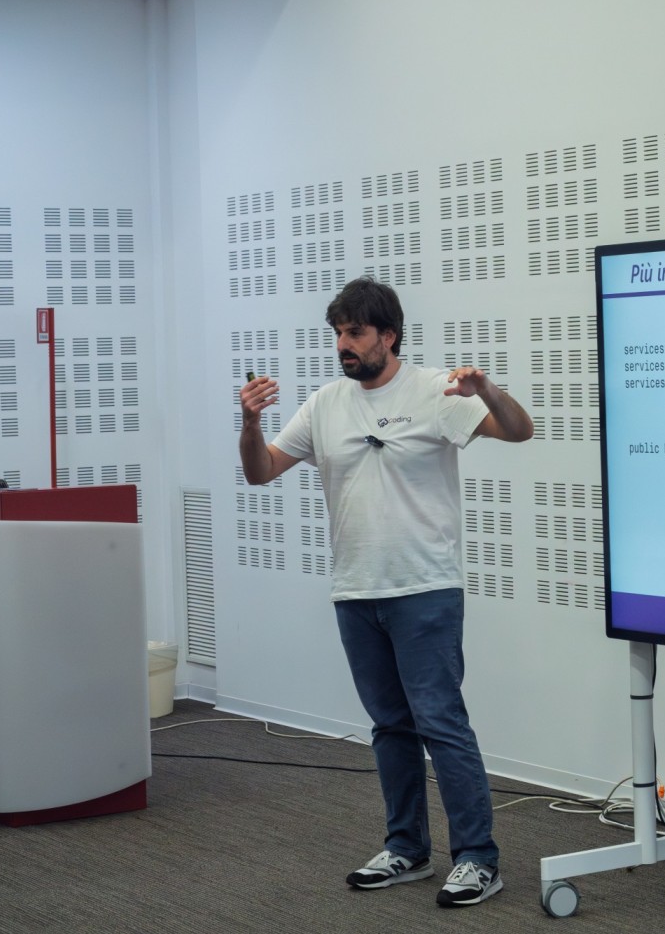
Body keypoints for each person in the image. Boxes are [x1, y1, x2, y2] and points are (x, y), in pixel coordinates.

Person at [238, 276, 533, 908]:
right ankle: (407, 849)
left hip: (425, 587)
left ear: (388, 336)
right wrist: (250, 422)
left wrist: (487, 389)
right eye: (338, 333)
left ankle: (478, 859)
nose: (343, 344)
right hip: (356, 590)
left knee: (441, 723)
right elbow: (261, 472)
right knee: (390, 727)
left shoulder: (434, 391)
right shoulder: (325, 403)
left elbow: (519, 430)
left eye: (355, 332)